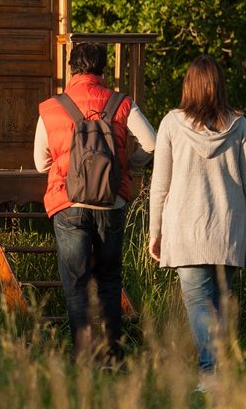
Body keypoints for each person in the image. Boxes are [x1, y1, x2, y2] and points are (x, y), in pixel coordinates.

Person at [148, 54, 246, 388]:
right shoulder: (240, 125)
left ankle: (210, 373)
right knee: (216, 304)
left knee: (200, 305)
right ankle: (216, 370)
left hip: (185, 230)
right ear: (219, 86)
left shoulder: (171, 124)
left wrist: (154, 231)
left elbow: (160, 184)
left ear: (188, 85)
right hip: (228, 230)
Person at [34, 42, 156, 362]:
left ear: (72, 68)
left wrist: (66, 168)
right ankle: (112, 354)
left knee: (76, 284)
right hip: (111, 202)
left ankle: (83, 356)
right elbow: (152, 143)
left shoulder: (51, 107)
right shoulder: (121, 102)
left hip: (68, 202)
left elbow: (39, 163)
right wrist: (130, 163)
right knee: (110, 279)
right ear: (102, 68)